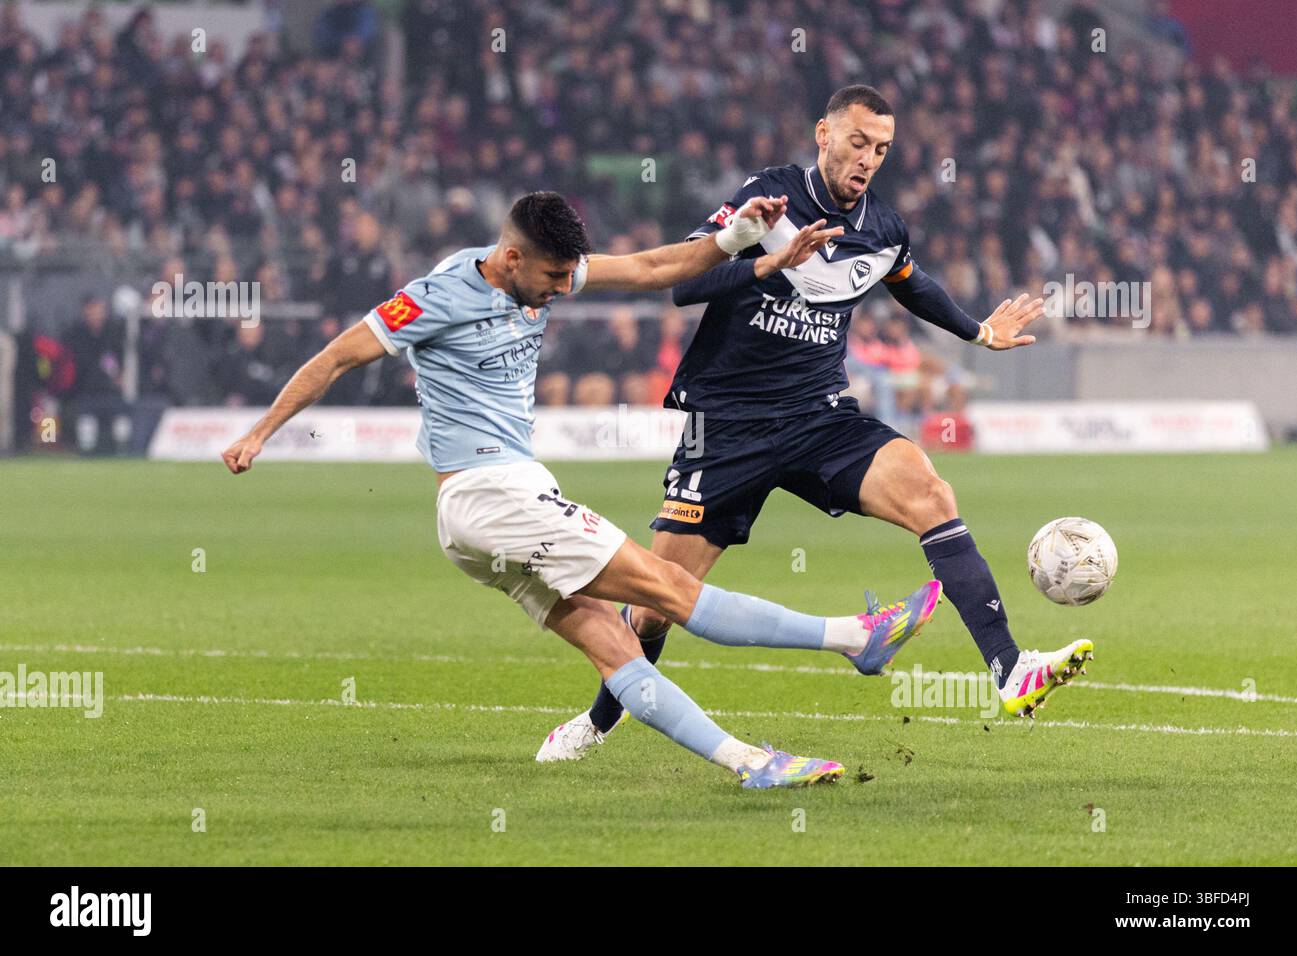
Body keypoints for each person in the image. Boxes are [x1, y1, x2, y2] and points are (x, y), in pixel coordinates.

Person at [222, 191, 943, 789]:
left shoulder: (545, 269)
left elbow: (657, 267)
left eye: (571, 274)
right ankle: (854, 638)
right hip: (494, 492)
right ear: (511, 258)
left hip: (474, 521)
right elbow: (337, 355)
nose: (564, 289)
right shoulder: (438, 294)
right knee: (667, 588)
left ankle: (750, 763)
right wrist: (261, 433)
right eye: (553, 277)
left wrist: (740, 238)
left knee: (611, 642)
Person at [541, 85, 1094, 762]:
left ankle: (1010, 670)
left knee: (931, 494)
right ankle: (601, 719)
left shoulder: (883, 228)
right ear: (823, 134)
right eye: (858, 142)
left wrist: (977, 331)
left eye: (882, 150)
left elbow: (909, 281)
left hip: (818, 417)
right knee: (656, 603)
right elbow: (685, 283)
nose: (868, 159)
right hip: (728, 427)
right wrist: (766, 262)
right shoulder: (768, 196)